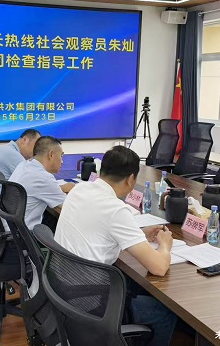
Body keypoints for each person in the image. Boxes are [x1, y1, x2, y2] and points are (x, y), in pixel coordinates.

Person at [54, 145, 176, 345]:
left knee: (136, 286)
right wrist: (165, 245)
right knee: (165, 314)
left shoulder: (80, 189)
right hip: (91, 300)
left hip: (64, 289)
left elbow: (97, 228)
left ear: (102, 170)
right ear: (131, 179)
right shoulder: (115, 209)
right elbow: (159, 267)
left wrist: (139, 234)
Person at [9, 136, 75, 230]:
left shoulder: (24, 165)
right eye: (61, 156)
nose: (62, 161)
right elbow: (68, 209)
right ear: (51, 154)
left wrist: (61, 188)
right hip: (24, 233)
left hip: (10, 226)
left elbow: (38, 188)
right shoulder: (43, 177)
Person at [0, 129, 41, 199]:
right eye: (36, 146)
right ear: (25, 140)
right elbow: (36, 182)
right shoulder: (12, 154)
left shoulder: (4, 148)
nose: (37, 151)